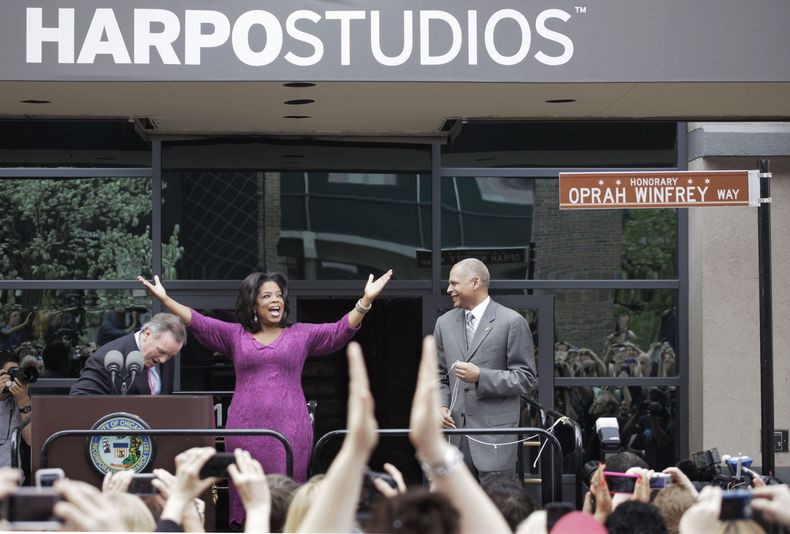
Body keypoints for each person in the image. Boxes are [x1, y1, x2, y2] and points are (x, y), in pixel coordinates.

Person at [138, 269, 392, 527]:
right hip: (245, 430)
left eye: (279, 295)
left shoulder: (300, 335)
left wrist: (366, 300)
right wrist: (165, 299)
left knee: (287, 493)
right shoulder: (235, 335)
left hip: (291, 429)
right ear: (253, 305)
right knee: (246, 486)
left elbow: (339, 330)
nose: (275, 300)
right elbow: (198, 321)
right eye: (267, 296)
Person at [434, 258, 536, 482]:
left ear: (475, 282)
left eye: (454, 283)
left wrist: (481, 376)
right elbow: (439, 376)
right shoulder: (444, 323)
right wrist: (441, 405)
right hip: (455, 438)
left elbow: (526, 378)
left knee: (498, 503)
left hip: (495, 439)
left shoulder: (512, 321)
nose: (449, 289)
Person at [69, 313, 186, 395]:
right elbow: (81, 398)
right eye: (161, 351)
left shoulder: (166, 354)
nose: (163, 360)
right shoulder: (106, 358)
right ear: (148, 334)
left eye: (170, 356)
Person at [0, 351, 32, 469]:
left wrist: (24, 401)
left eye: (17, 372)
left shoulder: (20, 399)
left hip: (13, 476)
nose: (15, 378)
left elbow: (31, 440)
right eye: (11, 372)